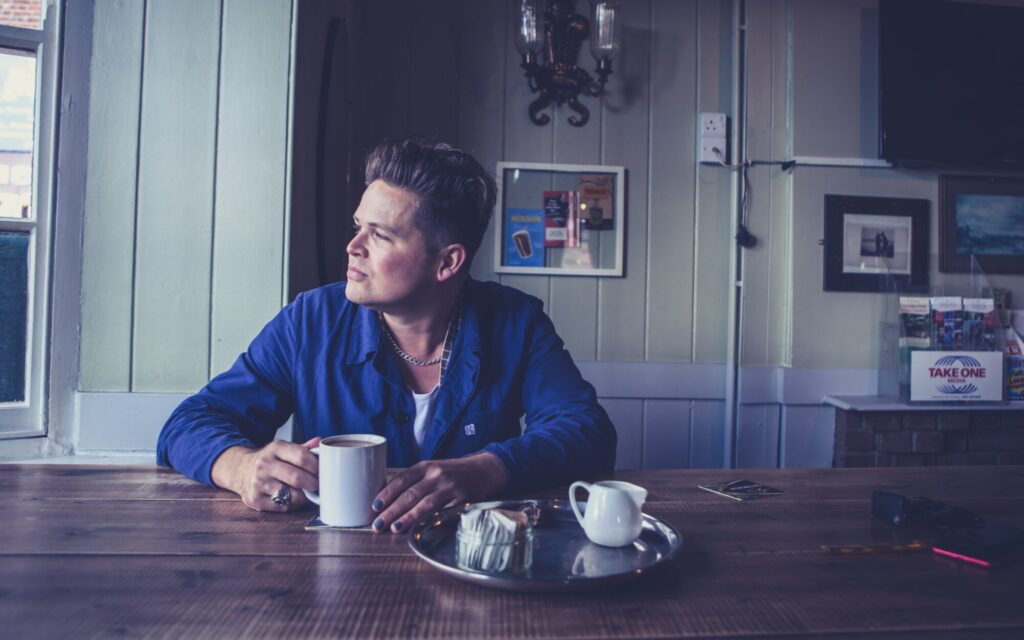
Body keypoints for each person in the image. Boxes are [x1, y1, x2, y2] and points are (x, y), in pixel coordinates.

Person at [156, 138, 617, 534]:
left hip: (474, 569)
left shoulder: (515, 320)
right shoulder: (308, 321)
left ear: (447, 262)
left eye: (379, 235)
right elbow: (187, 424)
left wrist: (484, 470)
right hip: (331, 573)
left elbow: (588, 432)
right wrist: (240, 467)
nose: (353, 247)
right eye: (359, 227)